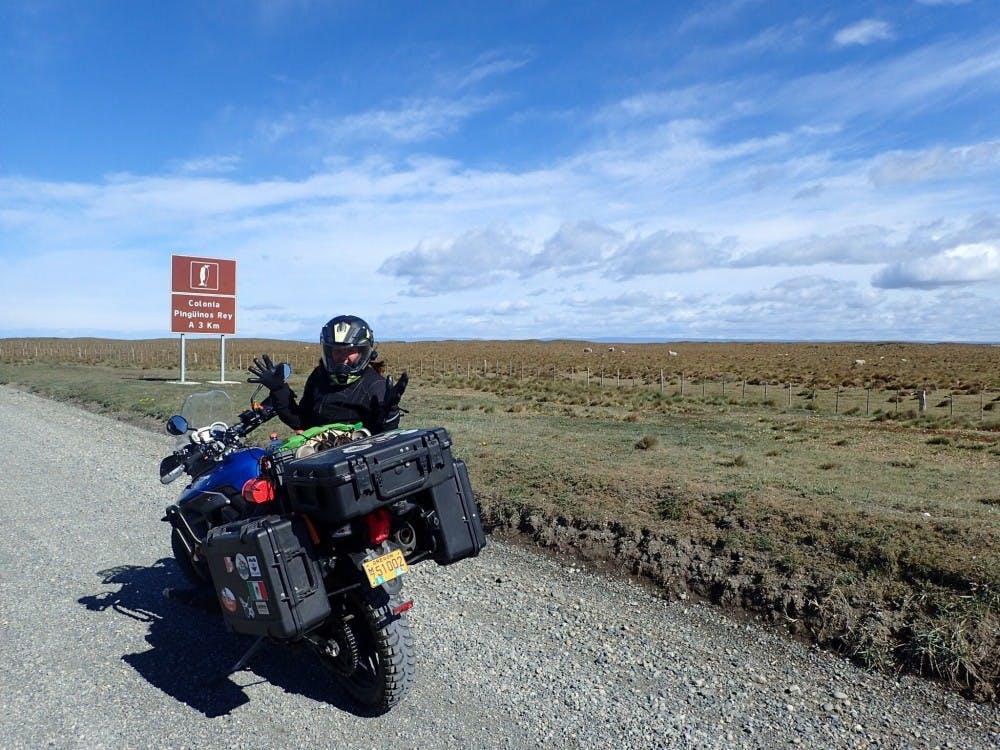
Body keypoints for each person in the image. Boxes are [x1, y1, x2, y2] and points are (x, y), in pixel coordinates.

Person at [247, 314, 408, 435]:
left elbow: (385, 436)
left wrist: (390, 412)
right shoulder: (319, 377)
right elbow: (301, 421)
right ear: (328, 352)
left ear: (364, 352)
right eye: (337, 351)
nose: (343, 358)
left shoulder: (375, 385)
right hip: (316, 456)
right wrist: (279, 390)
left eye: (350, 351)